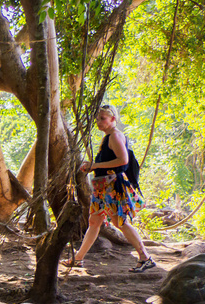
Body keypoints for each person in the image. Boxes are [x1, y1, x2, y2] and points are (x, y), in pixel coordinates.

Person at [63, 104, 156, 273]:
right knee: (94, 221)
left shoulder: (114, 136)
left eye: (103, 118)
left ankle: (145, 257)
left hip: (112, 185)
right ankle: (78, 259)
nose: (99, 122)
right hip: (102, 186)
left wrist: (95, 165)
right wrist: (93, 167)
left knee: (119, 221)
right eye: (98, 119)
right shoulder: (108, 137)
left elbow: (123, 160)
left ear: (113, 119)